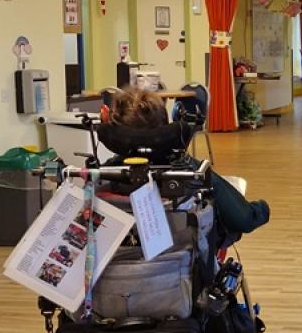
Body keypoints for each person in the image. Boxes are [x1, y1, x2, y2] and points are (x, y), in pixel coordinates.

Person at [108, 88, 270, 238]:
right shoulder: (190, 171)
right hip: (180, 261)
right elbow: (243, 219)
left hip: (117, 262)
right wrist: (261, 209)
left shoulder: (104, 174)